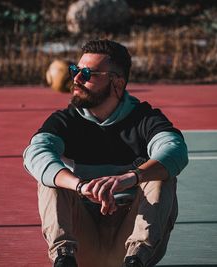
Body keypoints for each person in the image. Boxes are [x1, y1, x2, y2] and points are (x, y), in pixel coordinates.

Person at [23, 39, 188, 267]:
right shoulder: (65, 121)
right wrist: (80, 186)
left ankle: (135, 261)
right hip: (83, 242)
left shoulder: (144, 119)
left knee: (161, 175)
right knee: (51, 178)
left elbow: (176, 150)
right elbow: (35, 154)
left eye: (88, 73)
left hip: (129, 239)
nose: (76, 79)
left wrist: (131, 177)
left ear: (117, 83)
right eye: (75, 70)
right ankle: (63, 259)